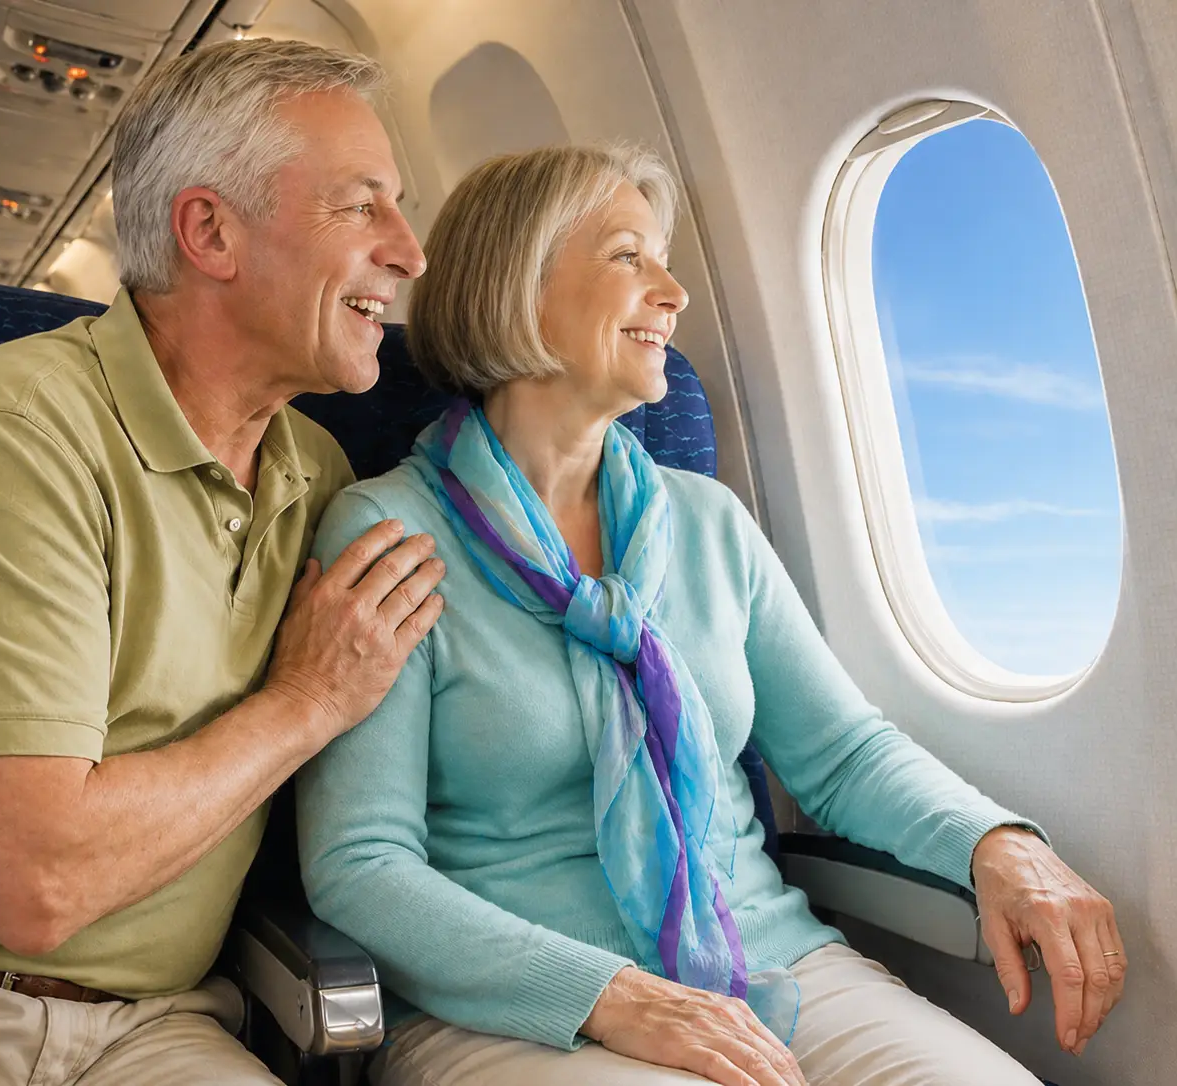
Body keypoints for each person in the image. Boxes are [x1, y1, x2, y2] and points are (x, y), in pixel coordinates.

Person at [297, 144, 1127, 1086]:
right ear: (518, 286)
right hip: (518, 1005)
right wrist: (612, 996)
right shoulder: (390, 528)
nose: (674, 291)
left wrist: (996, 845)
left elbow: (843, 754)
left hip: (763, 962)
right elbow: (360, 862)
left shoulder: (705, 521)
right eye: (628, 257)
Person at [0, 38, 443, 1085]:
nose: (409, 253)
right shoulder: (16, 427)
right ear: (209, 231)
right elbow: (33, 885)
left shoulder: (318, 475)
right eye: (361, 205)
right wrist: (307, 699)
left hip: (148, 1029)